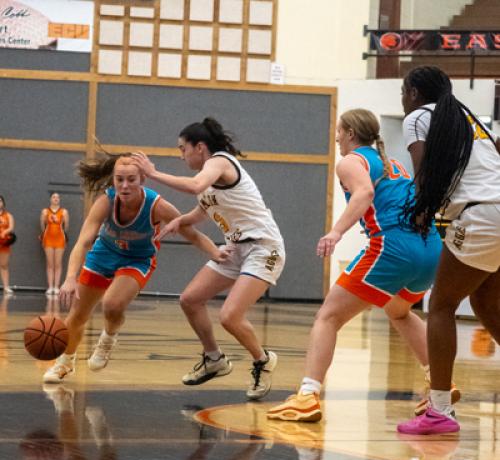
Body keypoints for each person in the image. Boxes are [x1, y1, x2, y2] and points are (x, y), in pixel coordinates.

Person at [266, 108, 443, 422]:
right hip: (430, 248)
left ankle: (307, 396)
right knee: (398, 310)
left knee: (328, 317)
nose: (336, 137)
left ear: (349, 132)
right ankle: (440, 380)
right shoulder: (394, 164)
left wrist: (336, 232)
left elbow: (365, 192)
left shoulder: (351, 161)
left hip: (394, 245)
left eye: (338, 131)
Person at [131, 117, 285, 400]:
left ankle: (263, 360)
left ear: (199, 147)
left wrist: (152, 173)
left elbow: (193, 186)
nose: (181, 155)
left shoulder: (219, 162)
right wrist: (180, 221)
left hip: (264, 247)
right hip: (236, 249)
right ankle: (214, 358)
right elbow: (203, 211)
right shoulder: (209, 181)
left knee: (230, 316)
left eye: (182, 148)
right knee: (190, 299)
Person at [43, 152, 229, 383]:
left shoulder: (157, 206)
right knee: (76, 316)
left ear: (143, 179)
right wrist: (70, 277)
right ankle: (64, 363)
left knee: (112, 304)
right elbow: (83, 242)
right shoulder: (105, 202)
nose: (125, 185)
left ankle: (108, 338)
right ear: (113, 180)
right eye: (119, 179)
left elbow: (191, 233)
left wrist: (215, 252)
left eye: (131, 179)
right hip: (103, 255)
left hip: (137, 260)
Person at [397, 66, 500, 435]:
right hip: (495, 210)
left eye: (402, 92)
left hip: (479, 214)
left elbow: (423, 172)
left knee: (440, 304)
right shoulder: (466, 117)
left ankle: (440, 410)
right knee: (487, 302)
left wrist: (421, 212)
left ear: (412, 93)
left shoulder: (417, 118)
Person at [40, 192, 69, 295]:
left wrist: (63, 234)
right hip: (48, 238)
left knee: (58, 263)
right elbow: (42, 225)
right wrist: (44, 234)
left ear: (59, 199)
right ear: (50, 199)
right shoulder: (45, 211)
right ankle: (50, 287)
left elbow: (66, 226)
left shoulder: (64, 211)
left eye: (58, 197)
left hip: (60, 238)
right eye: (54, 197)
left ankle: (56, 287)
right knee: (49, 263)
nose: (56, 199)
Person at [0, 195, 15, 295]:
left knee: (4, 265)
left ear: (3, 203)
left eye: (0, 200)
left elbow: (11, 227)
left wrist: (5, 232)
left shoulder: (8, 215)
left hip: (4, 243)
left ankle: (6, 287)